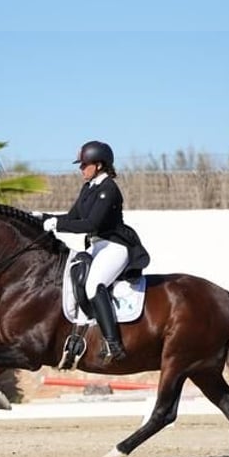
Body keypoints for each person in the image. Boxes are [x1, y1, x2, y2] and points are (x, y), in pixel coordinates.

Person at [40, 140, 150, 363]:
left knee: (94, 284)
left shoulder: (108, 189)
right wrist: (44, 218)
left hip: (115, 246)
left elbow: (91, 224)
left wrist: (57, 226)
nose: (81, 169)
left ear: (99, 165)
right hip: (97, 245)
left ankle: (113, 343)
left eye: (84, 165)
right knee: (75, 277)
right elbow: (72, 218)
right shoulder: (88, 188)